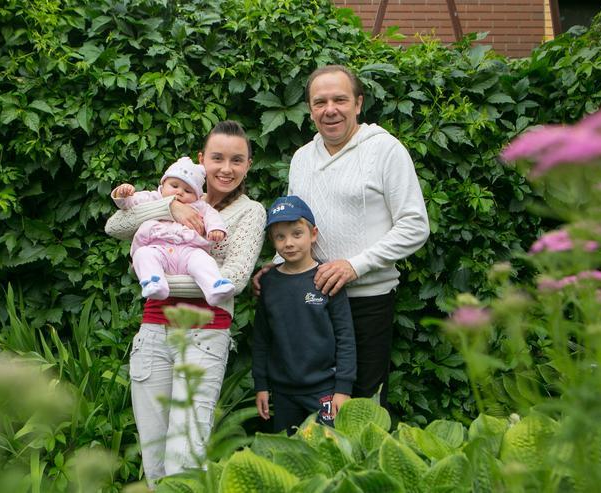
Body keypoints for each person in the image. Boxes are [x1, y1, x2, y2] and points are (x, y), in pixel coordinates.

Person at [252, 65, 430, 408]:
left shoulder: (386, 150)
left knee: (362, 407)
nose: (329, 109)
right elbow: (294, 224)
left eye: (340, 100)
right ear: (310, 110)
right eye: (320, 102)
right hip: (309, 302)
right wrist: (276, 265)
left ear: (358, 104)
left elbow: (415, 225)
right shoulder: (302, 158)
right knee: (312, 408)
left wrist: (355, 265)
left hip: (366, 301)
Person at [105, 120, 266, 488]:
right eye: (217, 158)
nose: (226, 168)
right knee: (154, 453)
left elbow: (233, 280)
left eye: (237, 160)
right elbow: (114, 226)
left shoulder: (251, 212)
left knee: (185, 455)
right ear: (201, 160)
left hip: (204, 337)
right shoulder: (173, 194)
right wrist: (171, 207)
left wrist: (153, 282)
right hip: (154, 333)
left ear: (248, 165)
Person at [252, 196, 356, 435]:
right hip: (283, 392)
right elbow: (261, 339)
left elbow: (345, 337)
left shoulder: (327, 278)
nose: (289, 243)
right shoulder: (269, 282)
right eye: (280, 237)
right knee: (287, 452)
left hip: (324, 390)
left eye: (297, 234)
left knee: (328, 447)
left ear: (313, 234)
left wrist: (343, 389)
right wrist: (261, 385)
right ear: (272, 241)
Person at [111, 156, 235, 305]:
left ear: (197, 196)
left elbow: (212, 216)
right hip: (157, 247)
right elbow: (129, 204)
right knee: (142, 254)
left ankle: (214, 287)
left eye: (188, 190)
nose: (179, 192)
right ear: (162, 185)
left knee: (203, 260)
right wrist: (122, 194)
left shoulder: (200, 206)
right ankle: (154, 282)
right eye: (174, 185)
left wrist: (215, 229)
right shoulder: (152, 198)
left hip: (189, 251)